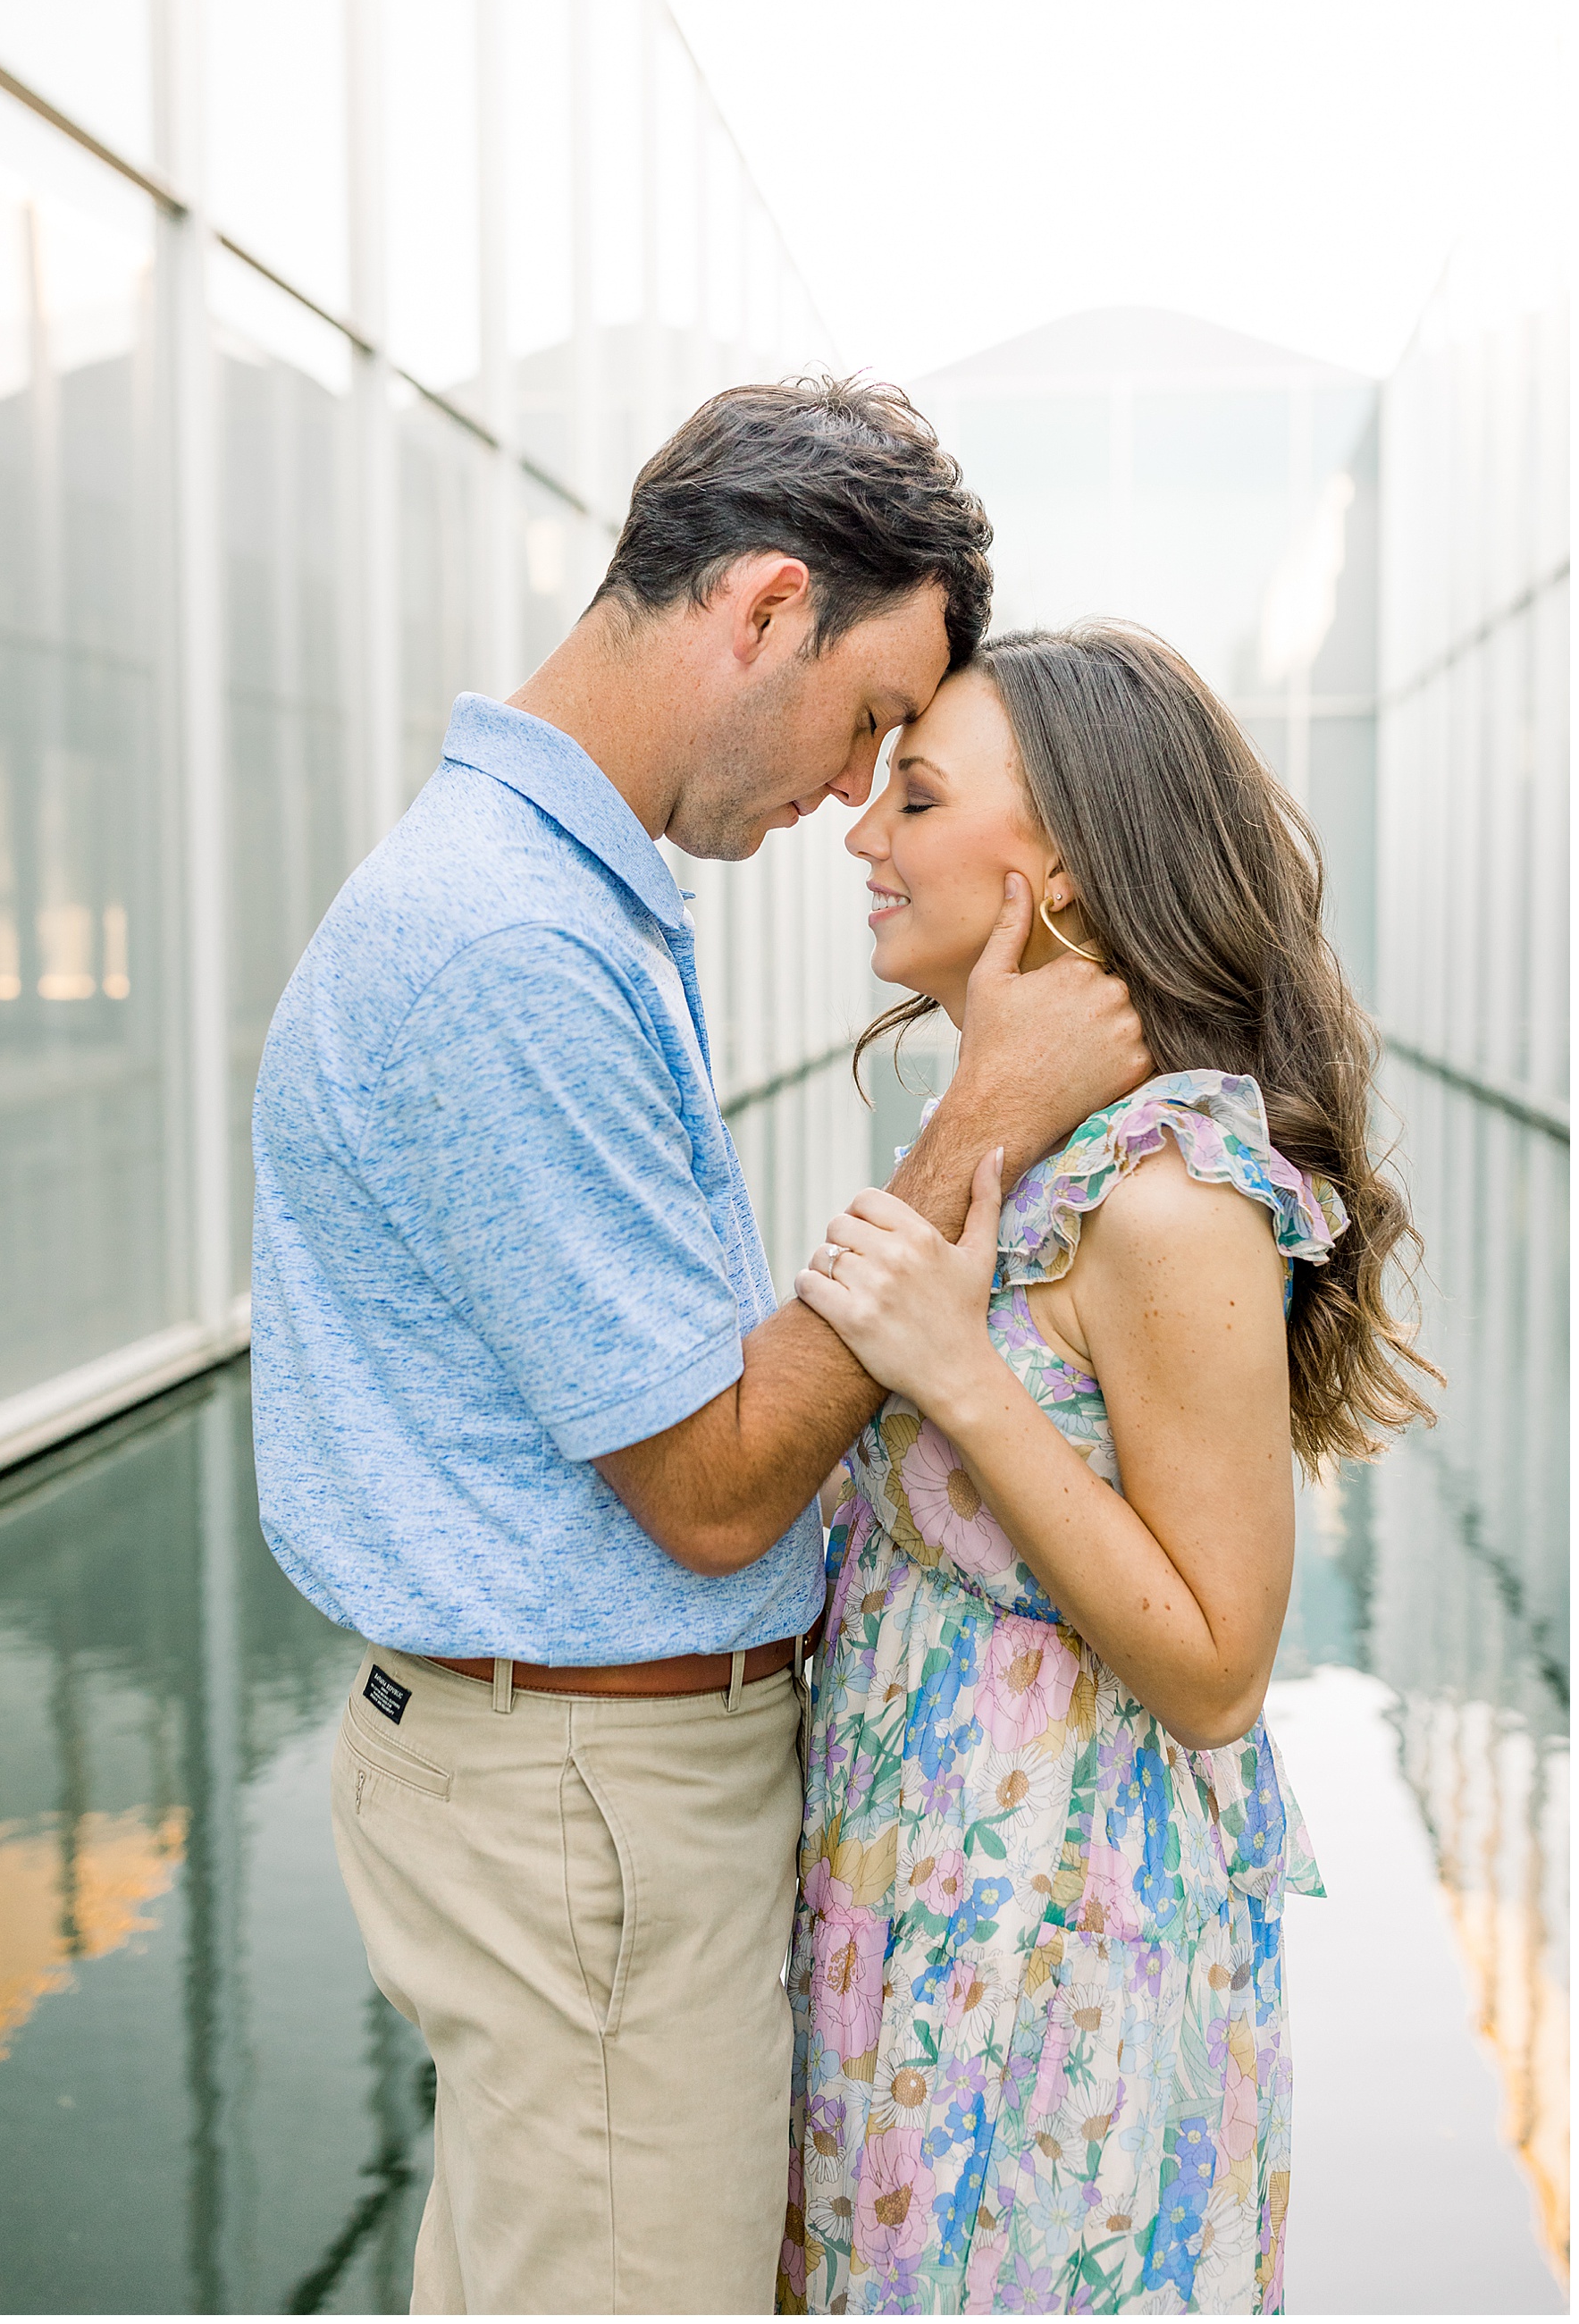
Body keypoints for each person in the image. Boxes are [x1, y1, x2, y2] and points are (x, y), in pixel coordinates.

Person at [248, 382, 1149, 2316]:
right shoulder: (507, 945)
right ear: (757, 610)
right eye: (864, 722)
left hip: (574, 1788)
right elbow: (721, 1481)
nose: (850, 792)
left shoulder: (554, 897)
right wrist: (985, 1111)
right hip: (591, 1803)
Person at [783, 623, 1438, 2316]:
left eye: (916, 795)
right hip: (916, 1909)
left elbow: (1220, 1664)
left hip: (1057, 1954)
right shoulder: (1042, 1147)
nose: (865, 830)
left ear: (1059, 863)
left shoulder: (1169, 1196)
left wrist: (956, 1377)